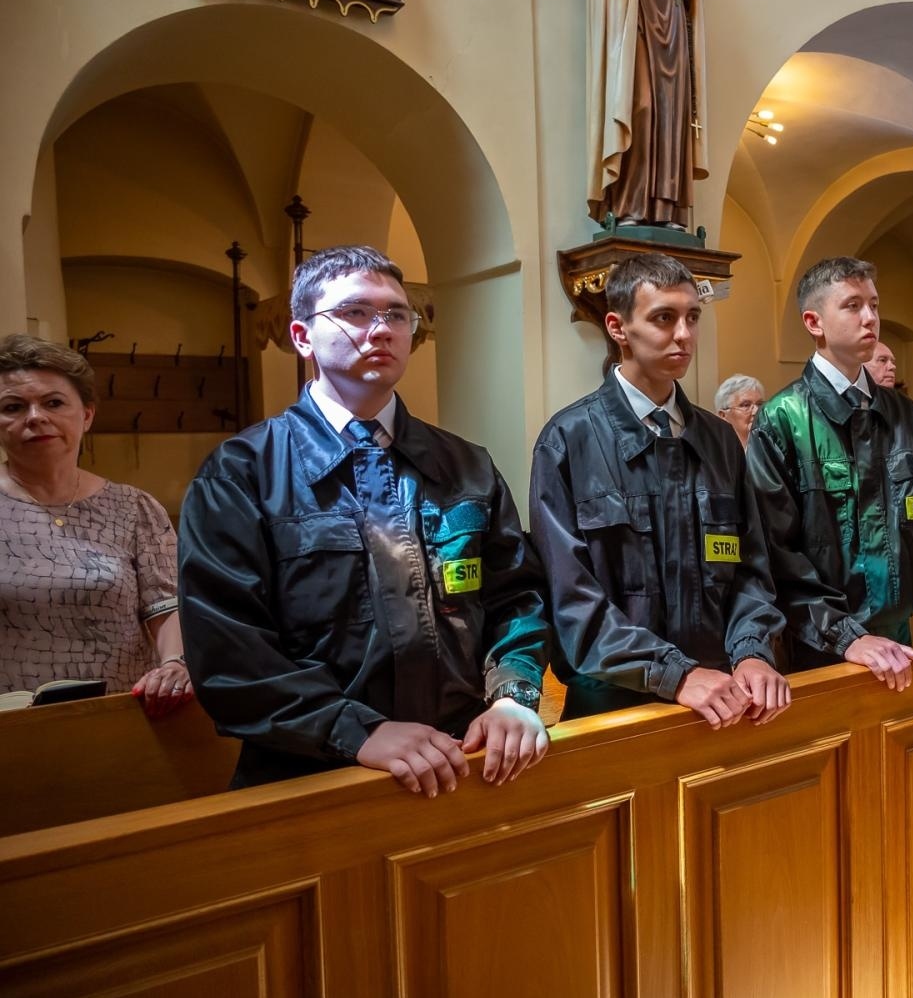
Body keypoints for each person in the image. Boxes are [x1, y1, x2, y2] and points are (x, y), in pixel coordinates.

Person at [178, 246, 552, 794]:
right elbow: (228, 649)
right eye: (355, 312)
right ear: (302, 336)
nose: (381, 329)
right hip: (310, 772)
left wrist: (512, 697)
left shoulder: (466, 464)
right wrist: (355, 730)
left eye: (396, 314)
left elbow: (515, 596)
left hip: (463, 758)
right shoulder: (242, 473)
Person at [531, 254, 789, 727]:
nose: (685, 334)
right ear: (618, 326)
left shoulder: (717, 440)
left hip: (722, 693)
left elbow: (752, 568)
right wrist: (675, 674)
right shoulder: (568, 440)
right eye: (664, 318)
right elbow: (571, 597)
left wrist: (752, 651)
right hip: (613, 700)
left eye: (692, 317)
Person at [746, 257, 913, 689]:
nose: (871, 317)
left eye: (873, 304)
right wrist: (846, 636)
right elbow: (777, 554)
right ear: (814, 322)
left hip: (899, 637)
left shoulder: (902, 414)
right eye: (853, 305)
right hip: (821, 646)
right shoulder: (783, 418)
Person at [0, 334, 190, 717]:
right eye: (13, 407)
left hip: (124, 718)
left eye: (53, 403)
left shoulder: (134, 507)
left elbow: (169, 607)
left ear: (86, 415)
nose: (35, 418)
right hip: (11, 729)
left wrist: (175, 664)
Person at [587, 0, 707, 229]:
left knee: (672, 111)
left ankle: (667, 209)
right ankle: (630, 204)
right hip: (635, 13)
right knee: (641, 105)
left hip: (672, 18)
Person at [713, 373, 764, 448]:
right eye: (746, 405)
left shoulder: (774, 448)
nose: (756, 411)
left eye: (759, 404)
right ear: (723, 415)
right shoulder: (715, 452)